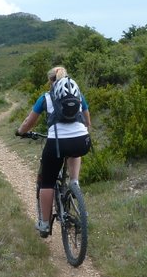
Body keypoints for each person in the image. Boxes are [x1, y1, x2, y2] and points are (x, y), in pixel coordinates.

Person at [15, 66, 91, 237]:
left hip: (57, 144)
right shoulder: (79, 95)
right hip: (82, 141)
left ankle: (44, 223)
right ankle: (74, 183)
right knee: (74, 150)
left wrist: (21, 132)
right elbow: (88, 121)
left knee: (47, 182)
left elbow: (29, 122)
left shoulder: (46, 98)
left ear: (51, 81)